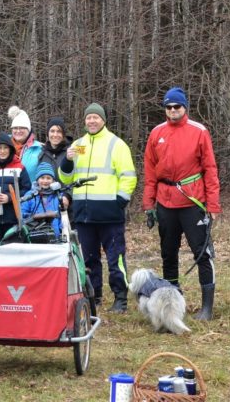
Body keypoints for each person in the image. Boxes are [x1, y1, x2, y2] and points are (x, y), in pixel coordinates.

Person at [142, 87, 221, 320]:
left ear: (185, 107)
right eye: (168, 107)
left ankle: (207, 307)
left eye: (177, 106)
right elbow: (149, 171)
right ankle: (173, 302)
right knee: (168, 253)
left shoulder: (199, 131)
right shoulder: (157, 133)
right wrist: (149, 203)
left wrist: (213, 205)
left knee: (202, 253)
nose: (173, 111)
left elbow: (210, 169)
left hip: (192, 201)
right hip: (165, 202)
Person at [60, 103, 137, 312]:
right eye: (88, 118)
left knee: (115, 259)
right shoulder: (78, 145)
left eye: (95, 117)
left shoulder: (116, 144)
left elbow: (128, 177)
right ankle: (94, 296)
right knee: (89, 259)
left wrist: (119, 202)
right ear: (84, 121)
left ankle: (120, 298)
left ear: (103, 120)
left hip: (110, 215)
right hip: (85, 215)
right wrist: (66, 161)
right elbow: (65, 178)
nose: (91, 121)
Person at [21, 162, 63, 239]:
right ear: (37, 179)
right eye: (42, 177)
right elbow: (23, 213)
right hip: (35, 234)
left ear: (53, 180)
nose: (45, 181)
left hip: (55, 235)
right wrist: (33, 218)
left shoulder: (57, 195)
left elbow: (62, 215)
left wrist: (61, 229)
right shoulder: (30, 195)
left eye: (48, 178)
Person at [7, 106, 43, 183]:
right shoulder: (3, 147)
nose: (18, 131)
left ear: (28, 130)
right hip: (7, 193)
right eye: (15, 128)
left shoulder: (39, 149)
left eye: (22, 128)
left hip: (30, 193)